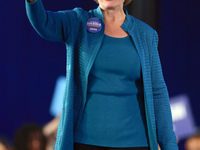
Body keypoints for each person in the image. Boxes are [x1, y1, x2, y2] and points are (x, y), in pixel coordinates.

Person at [25, 0, 178, 150]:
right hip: (85, 142)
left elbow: (158, 94)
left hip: (135, 143)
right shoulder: (78, 22)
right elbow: (43, 23)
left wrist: (169, 146)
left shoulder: (146, 34)